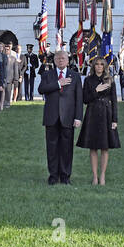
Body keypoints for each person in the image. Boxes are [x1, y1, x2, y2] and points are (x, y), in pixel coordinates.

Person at [38, 49, 83, 185]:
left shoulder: (75, 76)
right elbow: (41, 89)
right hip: (51, 117)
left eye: (63, 58)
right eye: (58, 58)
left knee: (66, 148)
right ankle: (53, 175)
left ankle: (65, 176)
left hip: (68, 117)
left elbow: (78, 98)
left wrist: (78, 117)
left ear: (68, 60)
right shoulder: (47, 75)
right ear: (54, 61)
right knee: (52, 148)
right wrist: (58, 84)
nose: (60, 60)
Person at [77, 55, 119, 185]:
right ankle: (95, 176)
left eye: (101, 64)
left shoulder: (110, 80)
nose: (99, 66)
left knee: (105, 147)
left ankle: (102, 176)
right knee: (93, 147)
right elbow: (85, 99)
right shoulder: (88, 80)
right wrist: (96, 90)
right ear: (93, 66)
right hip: (92, 113)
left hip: (106, 113)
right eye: (97, 64)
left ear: (105, 66)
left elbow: (114, 101)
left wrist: (114, 119)